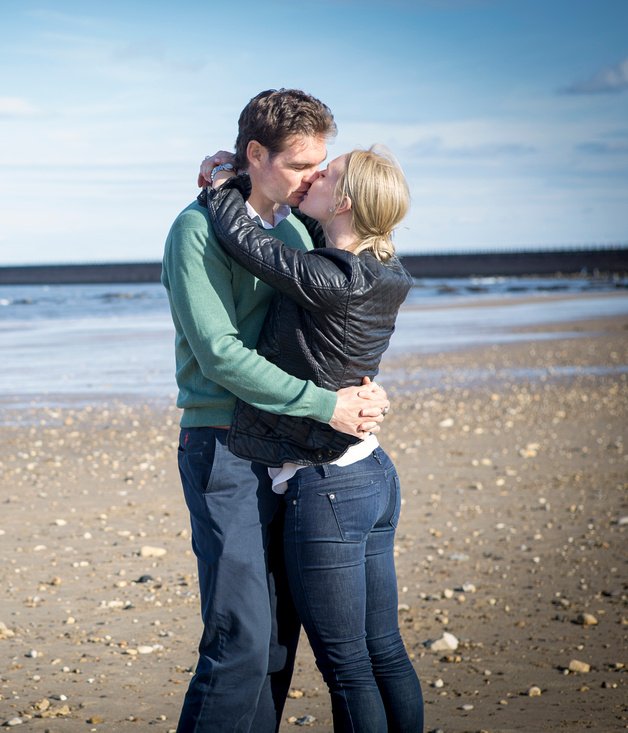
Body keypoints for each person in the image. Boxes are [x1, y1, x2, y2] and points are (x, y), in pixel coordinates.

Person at [162, 88, 391, 733]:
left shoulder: (295, 225)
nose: (312, 179)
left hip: (286, 449)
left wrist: (362, 386)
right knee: (238, 640)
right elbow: (220, 357)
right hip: (224, 445)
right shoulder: (195, 230)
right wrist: (328, 405)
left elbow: (352, 279)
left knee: (275, 648)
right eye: (299, 166)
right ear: (256, 154)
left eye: (319, 167)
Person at [198, 143, 424, 731]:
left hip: (329, 486)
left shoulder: (329, 275)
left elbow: (246, 241)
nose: (315, 176)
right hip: (373, 473)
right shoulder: (384, 272)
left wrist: (226, 178)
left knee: (348, 665)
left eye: (328, 172)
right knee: (384, 651)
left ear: (345, 200)